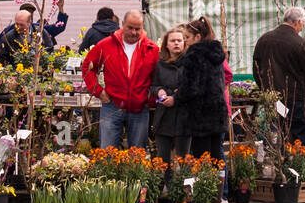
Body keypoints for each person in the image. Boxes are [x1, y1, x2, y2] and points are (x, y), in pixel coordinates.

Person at [81, 9, 158, 150]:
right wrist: (98, 91)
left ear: (143, 28)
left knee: (137, 157)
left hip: (139, 108)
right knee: (107, 154)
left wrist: (151, 99)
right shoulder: (106, 44)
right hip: (112, 105)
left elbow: (158, 77)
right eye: (130, 28)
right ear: (122, 24)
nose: (134, 32)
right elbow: (87, 66)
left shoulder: (151, 49)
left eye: (138, 29)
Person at [251, 7, 305, 148]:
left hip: (272, 97)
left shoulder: (264, 39)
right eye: (304, 22)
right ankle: (299, 165)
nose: (304, 25)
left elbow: (256, 69)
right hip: (294, 96)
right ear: (298, 22)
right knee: (299, 131)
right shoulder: (299, 43)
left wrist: (265, 88)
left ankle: (276, 162)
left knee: (274, 131)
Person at [175, 16, 229, 163]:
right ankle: (220, 185)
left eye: (187, 37)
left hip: (200, 115)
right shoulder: (216, 54)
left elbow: (191, 88)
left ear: (197, 37)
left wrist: (177, 96)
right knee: (217, 157)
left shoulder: (194, 54)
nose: (185, 40)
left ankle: (206, 187)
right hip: (218, 112)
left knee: (202, 159)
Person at [152, 26, 189, 164]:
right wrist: (159, 91)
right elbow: (153, 86)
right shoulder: (160, 64)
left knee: (184, 160)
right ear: (166, 44)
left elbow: (192, 88)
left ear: (184, 43)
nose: (176, 43)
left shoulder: (190, 63)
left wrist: (175, 98)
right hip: (164, 117)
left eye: (179, 40)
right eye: (173, 40)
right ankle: (168, 185)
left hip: (185, 118)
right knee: (163, 160)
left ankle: (185, 185)